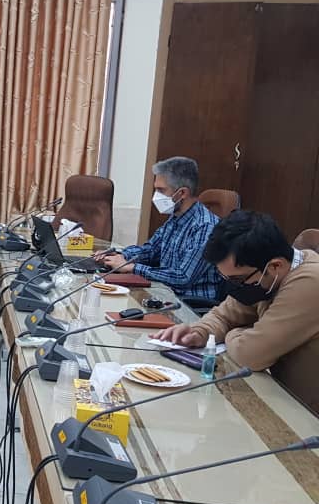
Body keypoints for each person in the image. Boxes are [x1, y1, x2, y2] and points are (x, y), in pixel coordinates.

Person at [154, 211, 319, 403]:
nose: (233, 286)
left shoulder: (310, 282)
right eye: (225, 278)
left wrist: (235, 333)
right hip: (280, 396)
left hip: (306, 411)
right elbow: (224, 315)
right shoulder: (264, 278)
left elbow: (251, 354)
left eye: (237, 280)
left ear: (275, 266)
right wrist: (199, 332)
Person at [99, 156, 220, 300]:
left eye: (161, 190)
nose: (156, 196)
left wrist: (132, 267)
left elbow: (182, 278)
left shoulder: (205, 226)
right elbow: (151, 250)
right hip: (162, 293)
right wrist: (120, 256)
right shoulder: (176, 218)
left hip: (188, 303)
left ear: (182, 193)